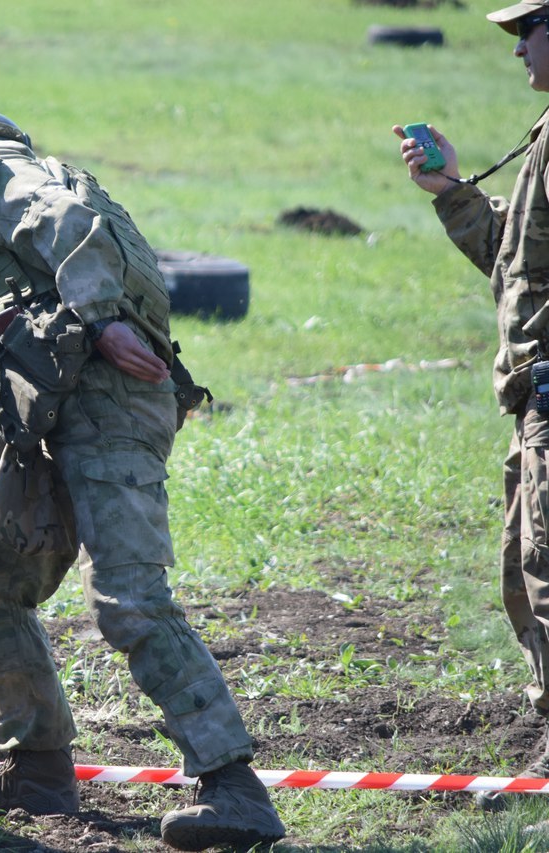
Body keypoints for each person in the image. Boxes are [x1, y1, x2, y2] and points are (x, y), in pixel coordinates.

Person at [0, 109, 286, 851]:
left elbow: (64, 217)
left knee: (129, 598)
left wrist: (103, 316)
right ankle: (37, 769)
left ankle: (234, 788)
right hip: (48, 417)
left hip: (104, 399)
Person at [394, 0, 549, 810]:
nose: (519, 48)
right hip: (537, 402)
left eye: (531, 30)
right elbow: (518, 267)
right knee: (530, 582)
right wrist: (449, 190)